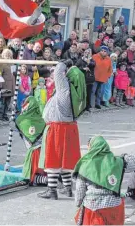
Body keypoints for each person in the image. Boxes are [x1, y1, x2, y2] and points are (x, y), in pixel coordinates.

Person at [38, 61, 83, 200]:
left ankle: (52, 190)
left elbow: (58, 73)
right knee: (65, 159)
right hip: (69, 128)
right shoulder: (75, 93)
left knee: (53, 158)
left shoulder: (65, 91)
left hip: (59, 128)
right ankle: (68, 188)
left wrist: (63, 63)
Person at [74, 136, 135, 225]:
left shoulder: (85, 165)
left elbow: (80, 191)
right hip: (114, 205)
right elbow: (134, 164)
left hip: (93, 206)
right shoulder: (118, 161)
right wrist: (125, 156)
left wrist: (78, 205)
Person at [17, 97, 47, 186]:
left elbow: (16, 126)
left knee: (30, 177)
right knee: (42, 171)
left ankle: (47, 180)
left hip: (34, 153)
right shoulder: (42, 120)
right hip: (44, 151)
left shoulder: (22, 120)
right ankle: (49, 179)